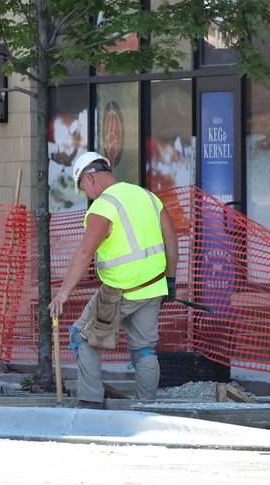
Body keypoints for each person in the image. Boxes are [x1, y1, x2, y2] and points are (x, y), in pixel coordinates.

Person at [49, 151, 177, 408]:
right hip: (153, 288)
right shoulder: (148, 197)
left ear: (90, 178)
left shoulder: (104, 205)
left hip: (119, 290)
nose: (85, 194)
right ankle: (147, 408)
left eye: (82, 188)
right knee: (144, 350)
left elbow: (85, 251)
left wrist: (63, 293)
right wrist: (170, 281)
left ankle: (90, 403)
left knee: (82, 337)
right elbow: (171, 241)